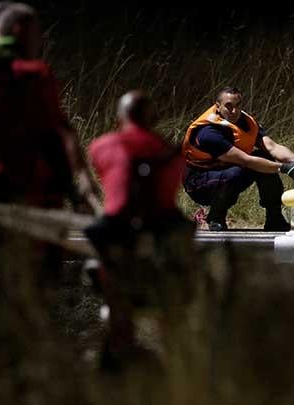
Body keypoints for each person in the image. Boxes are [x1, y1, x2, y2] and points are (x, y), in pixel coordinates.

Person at [0, 3, 97, 282]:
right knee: (35, 285)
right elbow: (55, 138)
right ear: (19, 32)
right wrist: (75, 189)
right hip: (26, 194)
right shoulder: (33, 74)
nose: (40, 41)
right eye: (37, 33)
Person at [85, 90, 192, 373]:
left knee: (103, 260)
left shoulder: (102, 145)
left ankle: (106, 287)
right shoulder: (172, 153)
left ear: (121, 117)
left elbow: (107, 179)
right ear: (153, 118)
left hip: (118, 228)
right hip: (163, 228)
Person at [181, 86, 294, 231]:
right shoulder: (208, 132)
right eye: (229, 106)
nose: (234, 111)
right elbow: (246, 161)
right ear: (218, 106)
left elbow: (272, 147)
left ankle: (274, 218)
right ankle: (216, 216)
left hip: (228, 169)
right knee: (237, 172)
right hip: (199, 182)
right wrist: (283, 167)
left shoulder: (246, 122)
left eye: (238, 106)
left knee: (263, 156)